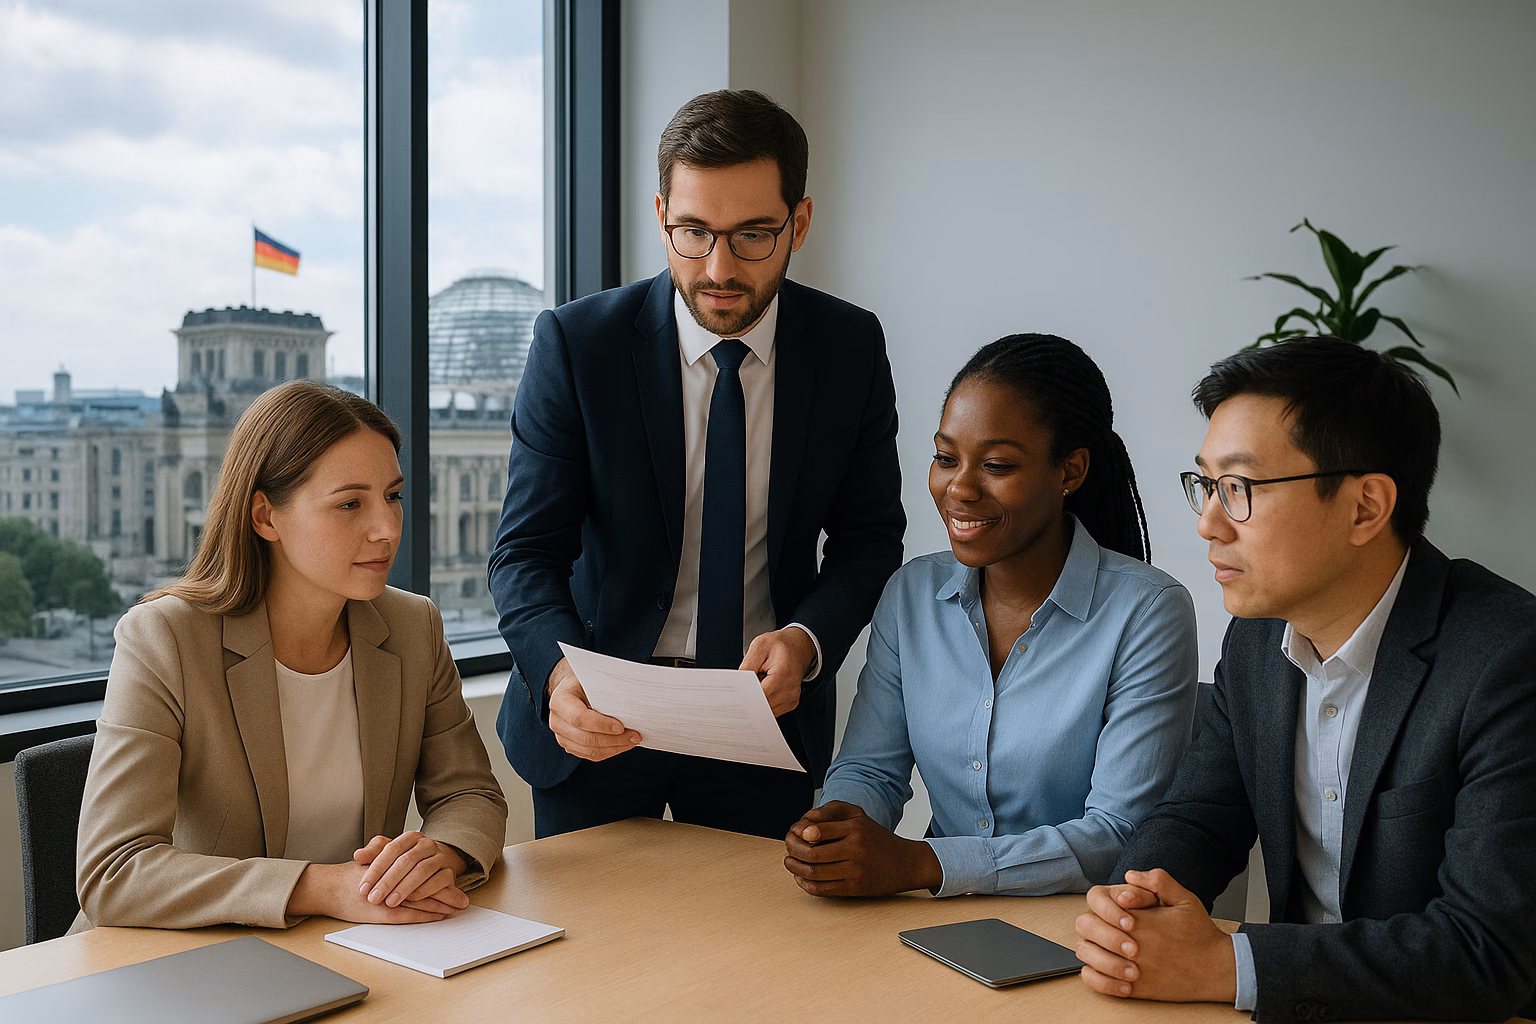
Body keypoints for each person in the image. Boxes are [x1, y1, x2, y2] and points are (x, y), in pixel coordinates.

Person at [1073, 338, 1536, 1021]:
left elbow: (1487, 950)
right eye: (1206, 484)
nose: (1206, 524)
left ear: (1365, 507)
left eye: (1239, 489)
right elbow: (1199, 817)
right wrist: (1132, 904)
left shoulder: (1507, 660)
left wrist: (1222, 964)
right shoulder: (1258, 640)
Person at [490, 89, 904, 840]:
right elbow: (524, 552)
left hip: (760, 719)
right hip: (602, 715)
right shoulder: (577, 347)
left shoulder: (850, 347)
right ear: (660, 217)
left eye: (752, 236)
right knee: (593, 952)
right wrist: (558, 673)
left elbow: (870, 536)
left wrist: (808, 641)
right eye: (692, 232)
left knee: (757, 953)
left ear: (798, 224)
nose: (718, 267)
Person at [75, 380, 508, 931]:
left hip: (356, 944)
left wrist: (435, 857)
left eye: (393, 496)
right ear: (265, 517)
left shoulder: (412, 626)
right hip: (179, 964)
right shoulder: (164, 637)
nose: (387, 528)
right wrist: (321, 886)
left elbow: (470, 793)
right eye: (350, 503)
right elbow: (114, 871)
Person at [783, 335, 1199, 898]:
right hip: (930, 920)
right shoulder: (912, 593)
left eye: (998, 465)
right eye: (946, 458)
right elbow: (871, 770)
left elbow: (1115, 835)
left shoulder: (1148, 612)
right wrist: (833, 830)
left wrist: (921, 864)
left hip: (1083, 926)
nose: (960, 487)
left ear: (1070, 471)